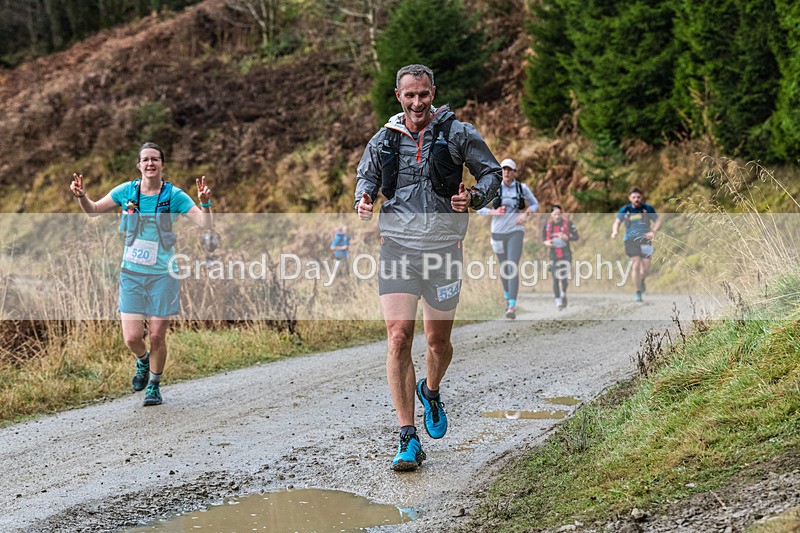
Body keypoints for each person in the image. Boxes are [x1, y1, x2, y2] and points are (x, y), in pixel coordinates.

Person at [355, 64, 501, 471]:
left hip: (443, 251)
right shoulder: (383, 139)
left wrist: (472, 197)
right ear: (398, 96)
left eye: (423, 94)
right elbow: (364, 179)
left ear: (432, 92)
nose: (417, 102)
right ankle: (407, 437)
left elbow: (492, 174)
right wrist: (363, 201)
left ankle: (431, 391)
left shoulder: (458, 132)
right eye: (409, 95)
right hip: (398, 248)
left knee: (438, 343)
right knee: (398, 336)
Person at [69, 142, 212, 406]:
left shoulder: (175, 196)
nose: (150, 164)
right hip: (131, 274)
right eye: (145, 159)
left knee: (157, 335)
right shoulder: (126, 191)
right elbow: (94, 211)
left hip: (163, 275)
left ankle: (154, 387)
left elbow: (205, 223)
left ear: (162, 164)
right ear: (139, 165)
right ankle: (143, 361)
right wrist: (81, 196)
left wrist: (206, 203)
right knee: (132, 337)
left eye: (155, 159)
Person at [477, 158, 539, 319]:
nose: (506, 172)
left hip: (516, 231)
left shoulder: (521, 188)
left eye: (509, 169)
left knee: (512, 266)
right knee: (504, 268)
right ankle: (507, 296)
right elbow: (478, 208)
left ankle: (512, 305)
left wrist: (525, 215)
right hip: (497, 232)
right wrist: (493, 212)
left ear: (514, 172)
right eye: (504, 169)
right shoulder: (494, 188)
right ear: (501, 171)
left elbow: (534, 204)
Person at [611, 187, 660, 302]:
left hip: (645, 239)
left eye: (638, 197)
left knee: (646, 268)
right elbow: (617, 222)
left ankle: (641, 280)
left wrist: (653, 232)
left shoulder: (647, 208)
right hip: (630, 240)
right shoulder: (625, 209)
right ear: (630, 198)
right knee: (636, 264)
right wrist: (615, 231)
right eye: (634, 197)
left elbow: (658, 221)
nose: (636, 199)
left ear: (641, 198)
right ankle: (637, 291)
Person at [542, 205, 579, 309]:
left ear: (562, 214)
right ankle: (558, 300)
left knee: (564, 276)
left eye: (559, 214)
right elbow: (543, 238)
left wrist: (567, 238)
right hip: (553, 255)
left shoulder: (568, 224)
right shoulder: (547, 226)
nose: (557, 216)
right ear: (551, 215)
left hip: (566, 254)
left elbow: (576, 237)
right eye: (555, 214)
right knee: (555, 278)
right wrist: (547, 242)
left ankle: (563, 293)